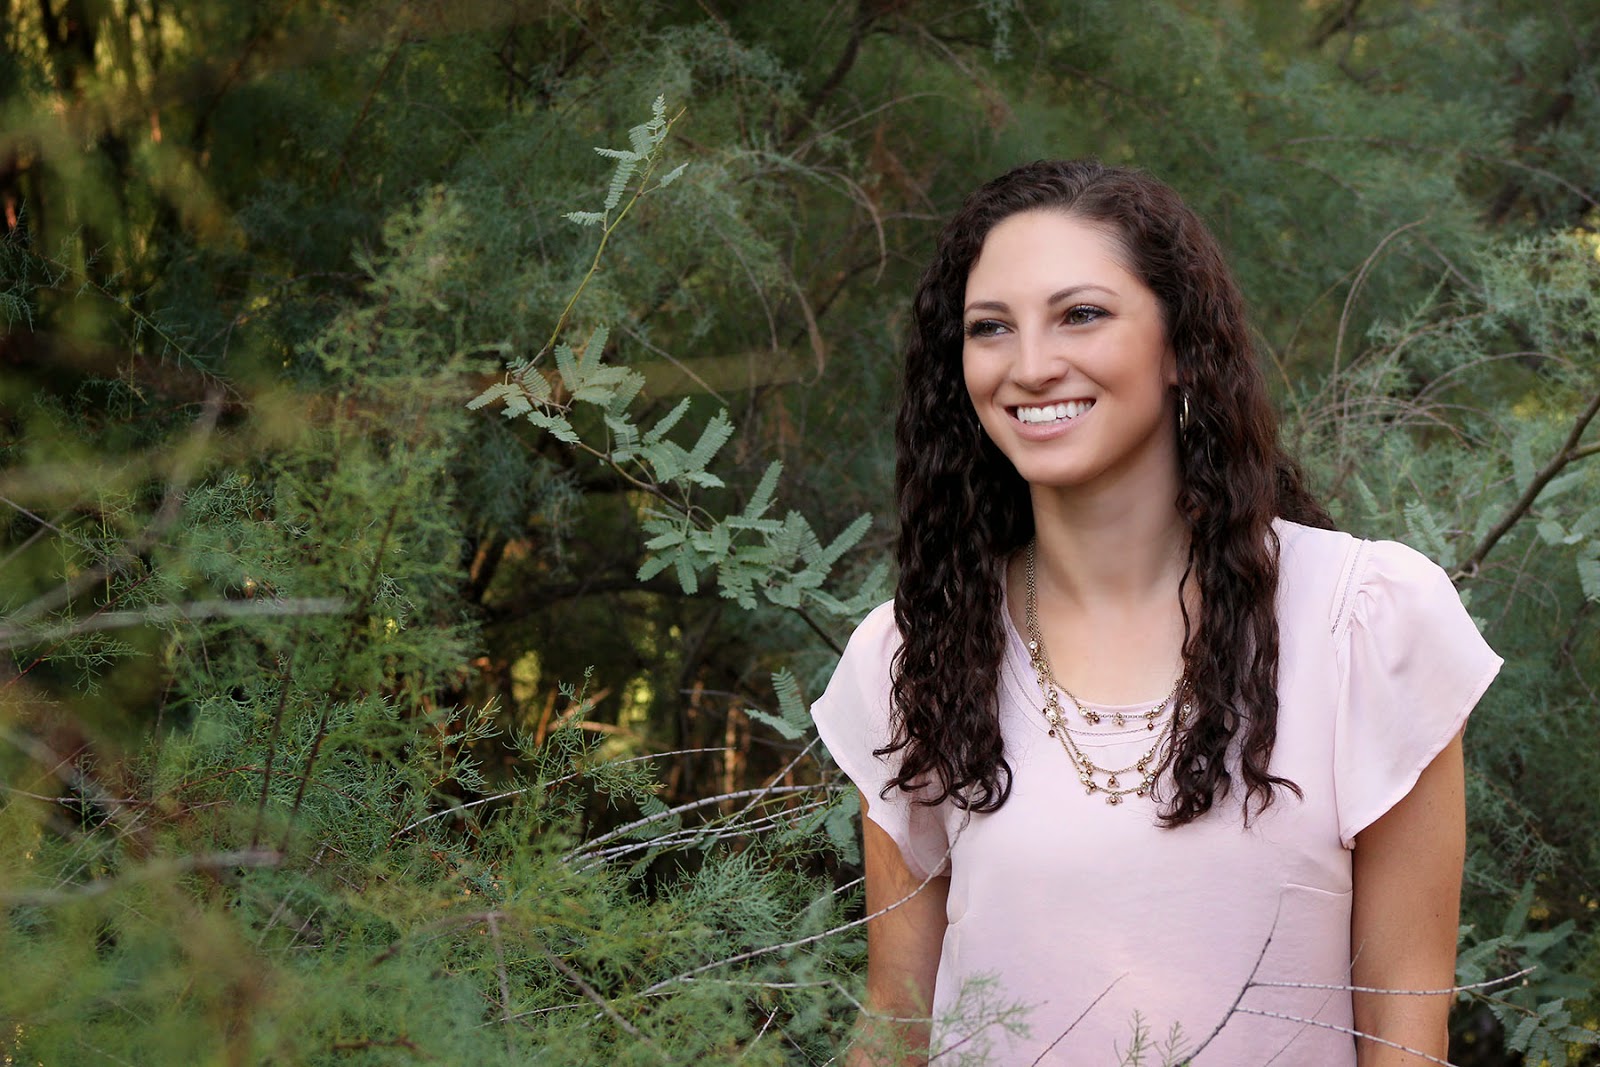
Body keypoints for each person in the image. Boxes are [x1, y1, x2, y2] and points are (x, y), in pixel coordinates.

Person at [810, 159, 1501, 1066]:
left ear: (1180, 345)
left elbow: (1406, 1032)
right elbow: (895, 1024)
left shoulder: (1363, 622)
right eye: (990, 327)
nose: (1030, 366)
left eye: (1080, 314)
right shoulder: (912, 653)